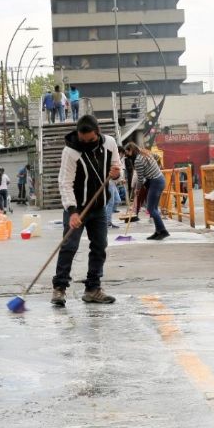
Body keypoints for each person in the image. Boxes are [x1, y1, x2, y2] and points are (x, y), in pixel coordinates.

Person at [52, 115, 121, 306]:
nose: (86, 143)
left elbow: (116, 170)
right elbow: (65, 183)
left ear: (97, 132)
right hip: (77, 207)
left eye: (90, 140)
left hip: (99, 207)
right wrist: (72, 211)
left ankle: (93, 288)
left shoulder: (110, 144)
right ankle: (59, 288)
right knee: (69, 246)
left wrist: (117, 173)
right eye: (83, 140)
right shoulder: (70, 152)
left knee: (99, 247)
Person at [125, 142, 169, 240]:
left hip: (155, 182)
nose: (127, 155)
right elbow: (157, 157)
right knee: (154, 209)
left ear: (131, 150)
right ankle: (158, 232)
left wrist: (137, 189)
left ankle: (163, 231)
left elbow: (140, 179)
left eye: (127, 152)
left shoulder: (137, 160)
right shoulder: (145, 153)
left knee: (150, 209)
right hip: (159, 179)